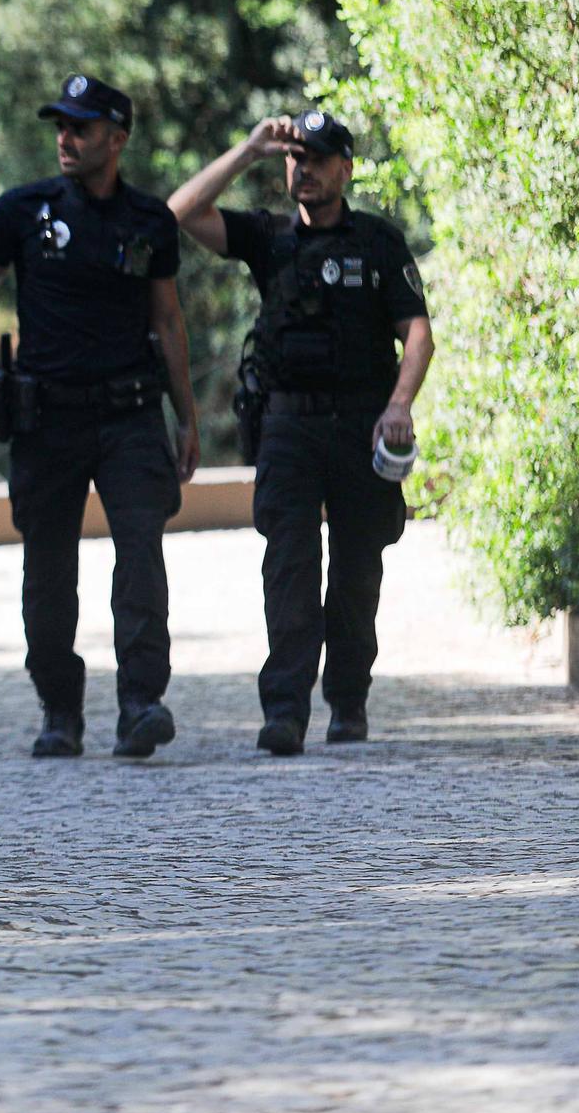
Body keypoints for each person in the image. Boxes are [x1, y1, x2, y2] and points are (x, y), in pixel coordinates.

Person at [0, 74, 200, 760]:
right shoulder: (23, 210)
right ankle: (60, 708)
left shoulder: (148, 220)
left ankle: (140, 702)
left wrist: (186, 416)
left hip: (131, 415)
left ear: (117, 137)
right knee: (47, 571)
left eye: (81, 126)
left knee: (140, 557)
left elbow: (167, 319)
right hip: (48, 420)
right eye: (60, 126)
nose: (66, 138)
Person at [168, 111, 433, 754]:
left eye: (317, 159)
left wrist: (399, 405)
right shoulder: (269, 237)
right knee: (287, 562)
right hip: (287, 423)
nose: (303, 170)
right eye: (294, 159)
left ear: (345, 169)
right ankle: (284, 711)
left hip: (360, 424)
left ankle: (347, 700)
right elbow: (178, 211)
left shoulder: (377, 242)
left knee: (355, 567)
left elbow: (417, 334)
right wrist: (250, 148)